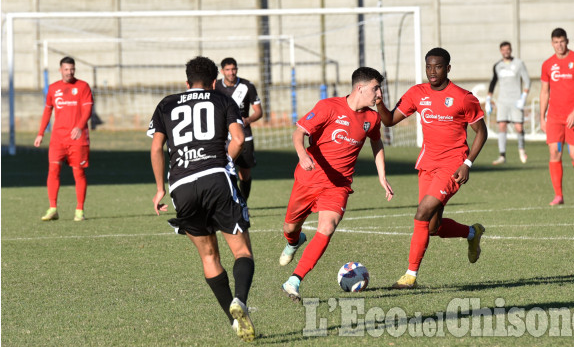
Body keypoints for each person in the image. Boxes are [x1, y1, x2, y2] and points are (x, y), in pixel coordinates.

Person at [148, 57, 255, 342]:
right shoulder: (222, 100)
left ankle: (233, 322)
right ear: (213, 82)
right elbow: (239, 139)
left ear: (186, 83)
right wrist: (226, 163)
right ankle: (240, 300)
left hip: (181, 185)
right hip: (215, 178)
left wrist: (160, 188)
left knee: (209, 256)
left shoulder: (166, 104)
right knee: (242, 251)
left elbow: (157, 147)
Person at [377, 47, 488, 289]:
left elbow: (482, 132)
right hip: (427, 165)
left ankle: (410, 276)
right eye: (428, 66)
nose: (432, 71)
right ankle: (472, 233)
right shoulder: (417, 93)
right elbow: (389, 120)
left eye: (437, 66)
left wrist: (467, 163)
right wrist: (379, 103)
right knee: (433, 227)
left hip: (452, 166)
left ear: (448, 68)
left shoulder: (463, 97)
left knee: (422, 212)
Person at [280, 67, 394, 301]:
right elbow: (298, 132)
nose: (378, 93)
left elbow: (376, 143)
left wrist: (382, 176)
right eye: (375, 88)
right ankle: (294, 241)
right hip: (308, 179)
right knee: (290, 228)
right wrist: (303, 155)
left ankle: (294, 281)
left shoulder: (371, 118)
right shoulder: (328, 107)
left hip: (338, 185)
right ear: (360, 88)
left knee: (327, 227)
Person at [35, 56, 93, 222]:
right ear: (60, 70)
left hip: (78, 139)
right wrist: (40, 133)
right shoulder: (53, 88)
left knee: (78, 173)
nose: (69, 72)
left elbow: (88, 110)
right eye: (66, 69)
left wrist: (79, 126)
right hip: (58, 139)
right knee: (53, 171)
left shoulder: (83, 87)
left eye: (72, 69)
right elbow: (47, 111)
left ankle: (79, 210)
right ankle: (53, 208)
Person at [540, 28, 574, 206]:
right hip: (554, 117)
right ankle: (558, 196)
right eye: (555, 42)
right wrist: (542, 117)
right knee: (554, 152)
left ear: (567, 41)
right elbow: (544, 92)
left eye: (562, 41)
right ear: (552, 43)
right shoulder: (547, 64)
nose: (559, 45)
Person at [214, 57, 262, 201]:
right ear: (222, 71)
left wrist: (248, 120)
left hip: (244, 135)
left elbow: (259, 111)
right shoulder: (216, 87)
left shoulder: (247, 86)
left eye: (233, 69)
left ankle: (243, 203)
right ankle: (227, 202)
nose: (231, 72)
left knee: (245, 174)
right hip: (222, 136)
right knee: (223, 170)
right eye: (228, 70)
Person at [486, 41, 531, 165]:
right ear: (501, 51)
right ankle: (502, 155)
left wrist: (524, 97)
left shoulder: (519, 64)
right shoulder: (497, 66)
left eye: (508, 49)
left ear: (511, 50)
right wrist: (488, 99)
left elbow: (527, 81)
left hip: (516, 100)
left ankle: (522, 150)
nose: (506, 52)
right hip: (502, 101)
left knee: (519, 127)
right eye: (503, 50)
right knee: (502, 125)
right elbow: (493, 82)